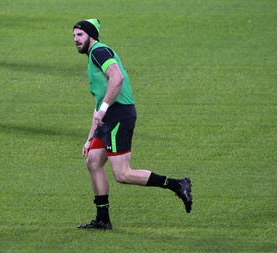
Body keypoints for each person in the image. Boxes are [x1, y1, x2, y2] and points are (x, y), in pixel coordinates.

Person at [73, 19, 193, 230]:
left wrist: (104, 109)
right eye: (74, 36)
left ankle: (177, 184)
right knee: (93, 161)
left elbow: (116, 78)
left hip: (119, 114)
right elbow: (99, 103)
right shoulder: (93, 57)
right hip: (110, 114)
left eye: (80, 35)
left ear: (91, 36)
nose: (75, 40)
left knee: (123, 174)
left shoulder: (99, 51)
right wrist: (90, 137)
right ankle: (103, 219)